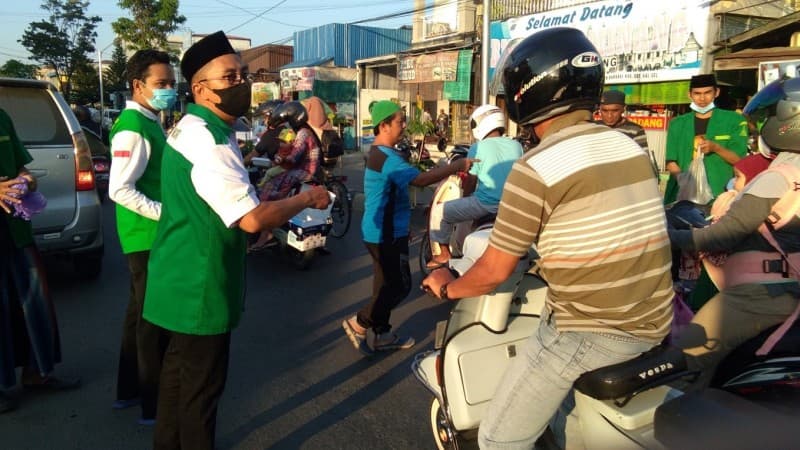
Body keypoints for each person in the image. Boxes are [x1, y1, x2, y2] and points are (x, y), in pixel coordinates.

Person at [421, 28, 673, 449]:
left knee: (497, 439)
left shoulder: (537, 167)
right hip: (656, 317)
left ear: (529, 93)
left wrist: (448, 286)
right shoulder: (628, 146)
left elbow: (493, 271)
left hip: (590, 331)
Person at [141, 31, 330, 450]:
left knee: (175, 387)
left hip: (175, 279)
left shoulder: (191, 128)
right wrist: (308, 197)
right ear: (201, 89)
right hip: (199, 289)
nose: (241, 83)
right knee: (199, 398)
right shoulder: (210, 142)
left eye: (243, 74)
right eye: (230, 77)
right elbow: (252, 219)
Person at [671, 76, 800, 388]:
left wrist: (663, 238)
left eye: (765, 120)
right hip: (788, 286)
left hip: (758, 295)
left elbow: (723, 235)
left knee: (684, 354)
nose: (758, 130)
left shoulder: (778, 177)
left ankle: (681, 424)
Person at [341, 100, 476, 356]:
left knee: (384, 285)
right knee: (400, 285)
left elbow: (397, 191)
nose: (404, 126)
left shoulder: (384, 155)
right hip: (385, 233)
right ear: (384, 126)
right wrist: (457, 166)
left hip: (384, 231)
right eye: (400, 121)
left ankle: (382, 334)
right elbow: (420, 180)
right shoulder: (386, 158)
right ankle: (359, 323)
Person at [107, 49, 176, 425]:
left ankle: (128, 391)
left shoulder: (150, 120)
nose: (168, 89)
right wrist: (166, 215)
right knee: (152, 322)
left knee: (138, 317)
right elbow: (119, 190)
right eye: (160, 84)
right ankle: (152, 405)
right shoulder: (133, 126)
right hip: (146, 238)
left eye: (171, 83)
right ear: (138, 86)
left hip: (147, 236)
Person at [0, 108, 80, 414]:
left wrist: (27, 179)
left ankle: (38, 372)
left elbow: (21, 165)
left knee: (35, 303)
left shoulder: (3, 117)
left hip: (16, 229)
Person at [426, 104, 522, 268]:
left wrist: (465, 195)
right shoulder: (516, 146)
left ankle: (443, 254)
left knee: (439, 212)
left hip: (485, 205)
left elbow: (471, 181)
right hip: (511, 206)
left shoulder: (478, 148)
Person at [663, 74, 748, 205]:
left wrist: (716, 148)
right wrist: (684, 181)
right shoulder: (677, 123)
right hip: (681, 195)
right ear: (689, 95)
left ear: (716, 92)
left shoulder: (734, 120)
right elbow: (670, 161)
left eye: (707, 93)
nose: (702, 98)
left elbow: (739, 160)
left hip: (720, 194)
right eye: (697, 93)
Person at [259, 101, 321, 202]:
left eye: (287, 120)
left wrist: (281, 159)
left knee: (274, 183)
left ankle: (277, 208)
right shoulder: (302, 131)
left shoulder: (303, 133)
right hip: (301, 168)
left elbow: (294, 155)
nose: (285, 123)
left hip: (306, 170)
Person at [595, 90, 659, 177]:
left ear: (623, 109)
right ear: (599, 109)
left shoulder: (635, 130)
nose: (609, 115)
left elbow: (642, 159)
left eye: (614, 111)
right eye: (605, 111)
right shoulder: (593, 127)